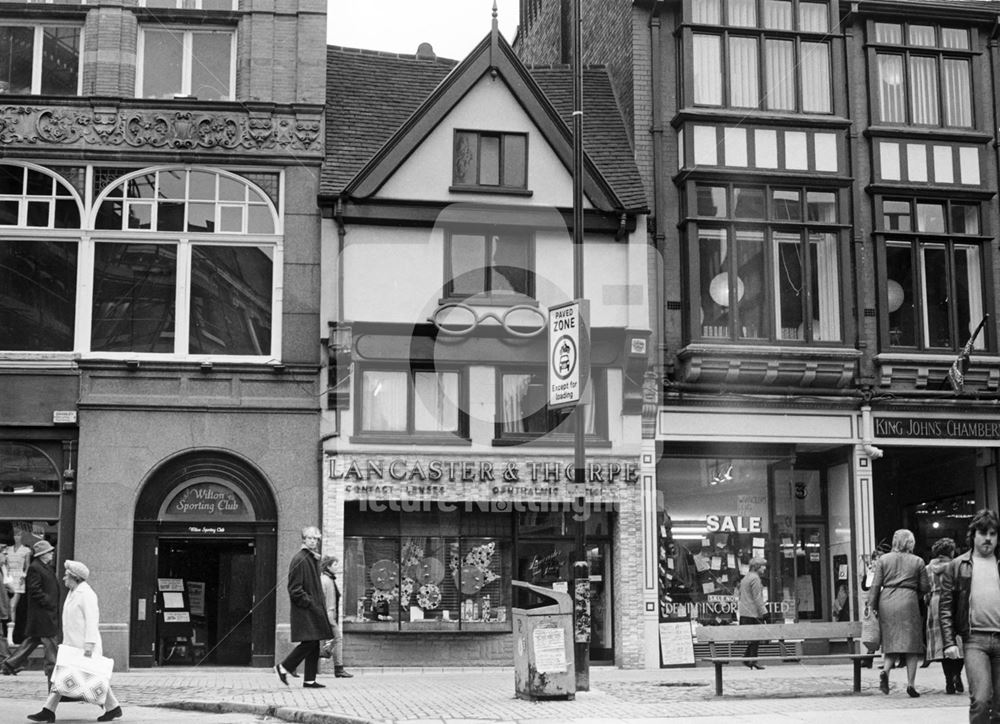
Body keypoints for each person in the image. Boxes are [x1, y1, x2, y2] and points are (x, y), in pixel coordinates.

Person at [27, 560, 123, 722]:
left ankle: (113, 708)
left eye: (66, 576)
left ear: (74, 578)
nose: (64, 578)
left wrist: (89, 644)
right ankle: (49, 710)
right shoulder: (74, 592)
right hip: (72, 645)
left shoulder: (86, 594)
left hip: (83, 645)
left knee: (89, 678)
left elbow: (92, 620)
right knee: (64, 677)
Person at [941, 509, 1000, 723]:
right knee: (982, 699)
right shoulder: (956, 566)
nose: (988, 539)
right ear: (973, 535)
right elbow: (946, 608)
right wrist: (949, 642)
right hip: (975, 640)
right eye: (983, 533)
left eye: (993, 534)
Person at [868, 528, 930, 697]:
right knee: (912, 645)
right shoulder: (918, 561)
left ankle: (886, 671)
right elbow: (925, 587)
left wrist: (871, 605)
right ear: (909, 542)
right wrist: (914, 593)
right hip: (908, 601)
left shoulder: (883, 560)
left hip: (886, 601)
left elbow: (875, 585)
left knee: (890, 641)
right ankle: (911, 685)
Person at [274, 526, 332, 689]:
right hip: (306, 610)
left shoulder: (311, 558)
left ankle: (309, 680)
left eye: (315, 538)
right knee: (309, 642)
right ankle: (283, 667)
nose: (313, 541)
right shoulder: (300, 559)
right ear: (303, 539)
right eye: (310, 538)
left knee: (314, 642)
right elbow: (294, 589)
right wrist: (310, 603)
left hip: (312, 609)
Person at [2, 540, 59, 683]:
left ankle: (10, 664)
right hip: (42, 614)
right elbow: (34, 589)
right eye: (49, 552)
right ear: (42, 555)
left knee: (32, 641)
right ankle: (53, 668)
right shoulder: (35, 568)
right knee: (50, 641)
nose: (52, 554)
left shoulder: (45, 567)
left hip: (45, 612)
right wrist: (47, 601)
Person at [926, 537, 964, 694]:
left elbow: (924, 587)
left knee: (942, 646)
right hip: (952, 603)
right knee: (958, 642)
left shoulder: (928, 568)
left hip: (935, 604)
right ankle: (957, 675)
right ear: (951, 552)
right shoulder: (956, 566)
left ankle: (949, 681)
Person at [319, 555, 352, 678]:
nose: (337, 567)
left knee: (335, 640)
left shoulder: (329, 579)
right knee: (338, 639)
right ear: (328, 567)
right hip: (329, 616)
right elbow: (327, 602)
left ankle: (325, 652)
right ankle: (338, 668)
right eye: (335, 565)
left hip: (331, 616)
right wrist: (330, 619)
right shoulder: (326, 581)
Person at [737, 557, 768, 670]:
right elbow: (757, 597)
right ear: (757, 567)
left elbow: (741, 595)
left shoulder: (745, 578)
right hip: (753, 612)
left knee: (753, 638)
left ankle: (749, 660)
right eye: (763, 566)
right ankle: (750, 660)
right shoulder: (755, 579)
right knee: (756, 638)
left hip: (745, 612)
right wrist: (764, 612)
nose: (764, 568)